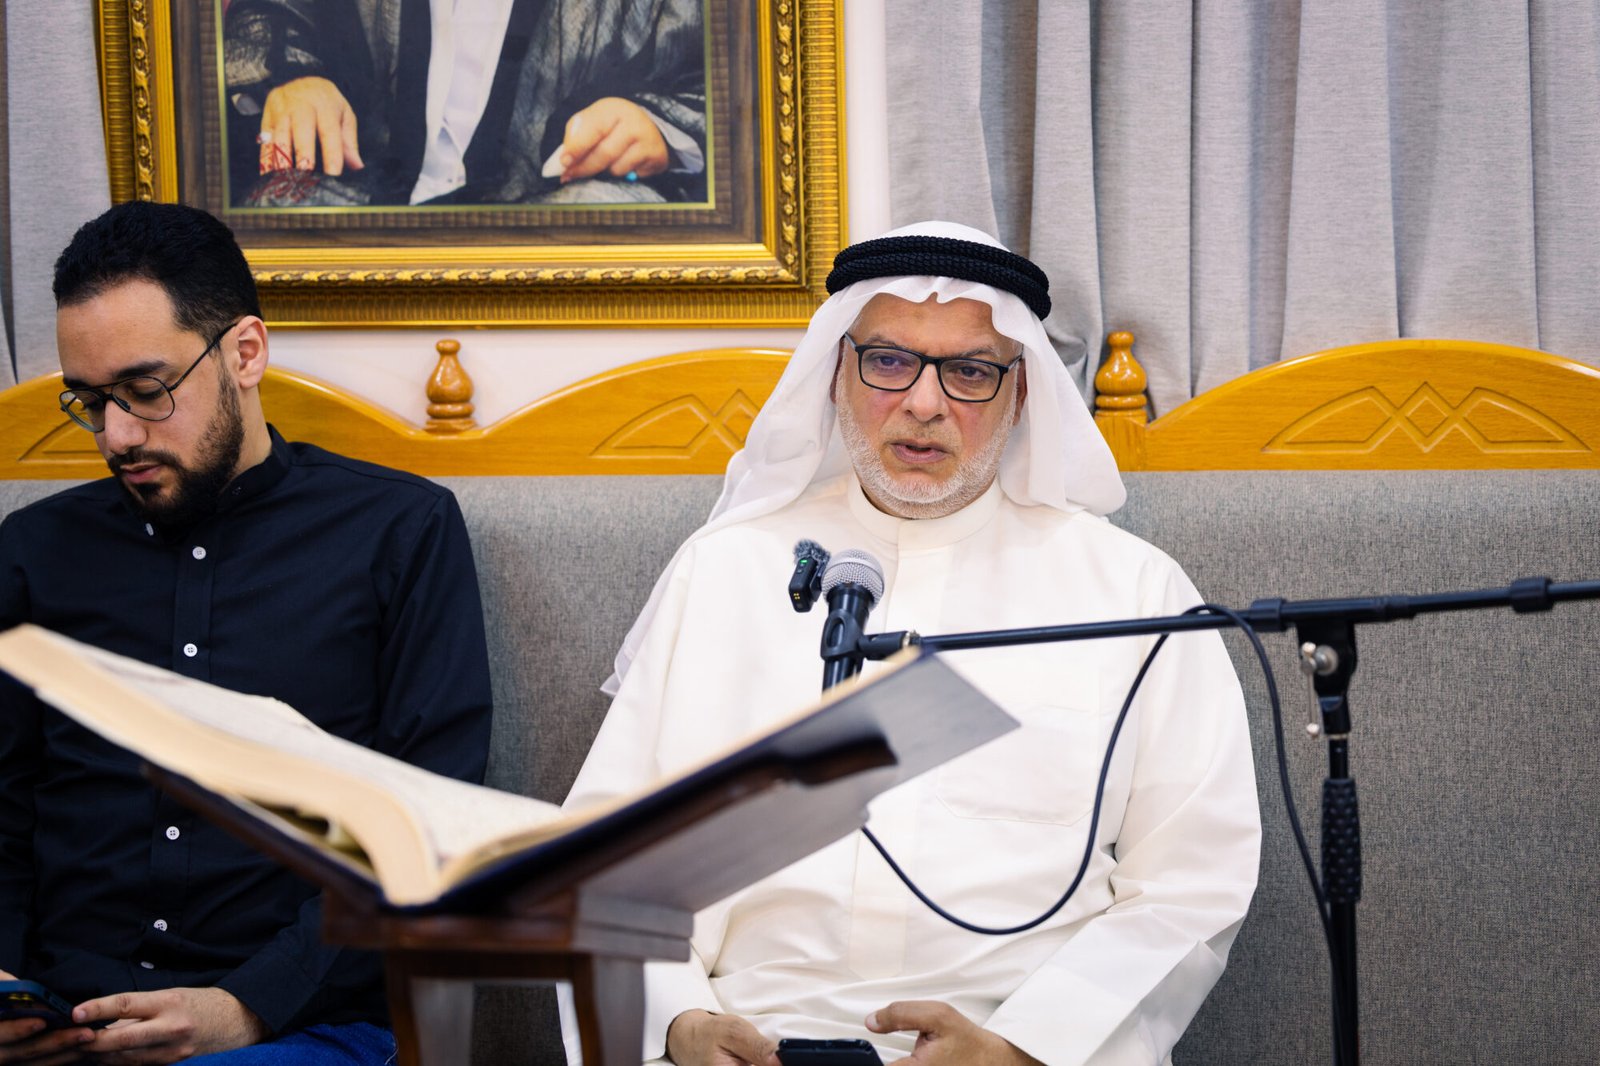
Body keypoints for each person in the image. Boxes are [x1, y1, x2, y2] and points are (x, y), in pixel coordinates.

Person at [561, 221, 1261, 1065]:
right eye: (889, 361)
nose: (925, 404)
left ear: (1021, 394)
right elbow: (603, 857)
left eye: (969, 371)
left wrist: (1021, 1047)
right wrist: (676, 1023)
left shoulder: (1134, 591)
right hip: (747, 1035)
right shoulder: (725, 572)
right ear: (836, 375)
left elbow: (1189, 879)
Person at [0, 202, 494, 1064]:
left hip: (301, 1023)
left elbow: (430, 826)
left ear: (246, 353)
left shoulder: (400, 533)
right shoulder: (32, 553)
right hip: (64, 1019)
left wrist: (247, 1007)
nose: (118, 436)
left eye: (146, 391)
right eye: (92, 401)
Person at [222, 0, 707, 207]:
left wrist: (655, 125)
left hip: (554, 228)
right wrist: (296, 76)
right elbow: (270, 14)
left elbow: (723, 73)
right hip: (356, 212)